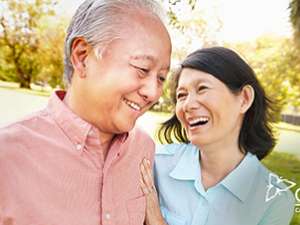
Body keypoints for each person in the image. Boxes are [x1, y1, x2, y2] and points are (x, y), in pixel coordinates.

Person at [0, 0, 171, 224]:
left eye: (161, 78)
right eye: (142, 69)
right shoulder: (8, 155)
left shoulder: (144, 149)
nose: (154, 92)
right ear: (82, 57)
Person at [140, 47, 295, 225]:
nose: (188, 105)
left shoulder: (275, 201)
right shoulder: (154, 164)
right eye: (182, 95)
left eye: (202, 88)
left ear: (244, 98)